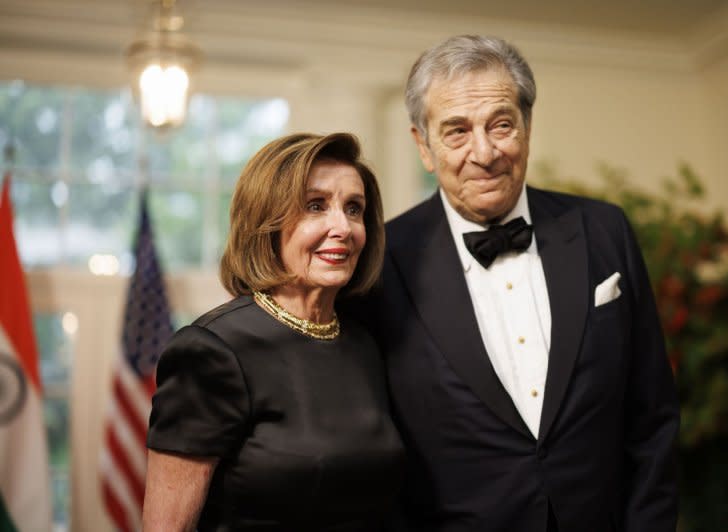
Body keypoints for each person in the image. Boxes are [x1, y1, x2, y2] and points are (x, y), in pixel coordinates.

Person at [353, 35, 679, 531]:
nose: (484, 152)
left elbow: (652, 415)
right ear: (423, 145)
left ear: (527, 126)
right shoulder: (379, 261)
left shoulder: (604, 230)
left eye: (501, 124)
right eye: (456, 131)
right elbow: (375, 451)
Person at [142, 132, 404, 531]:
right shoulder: (211, 351)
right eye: (315, 206)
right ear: (266, 223)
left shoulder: (363, 344)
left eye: (354, 209)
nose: (343, 227)